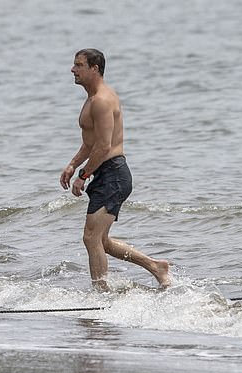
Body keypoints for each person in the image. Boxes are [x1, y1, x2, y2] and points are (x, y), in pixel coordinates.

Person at [59, 48, 171, 291]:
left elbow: (103, 146)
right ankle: (156, 267)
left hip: (113, 174)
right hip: (106, 172)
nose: (72, 69)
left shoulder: (101, 100)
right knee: (102, 241)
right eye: (74, 64)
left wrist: (83, 176)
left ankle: (101, 295)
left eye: (78, 65)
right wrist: (73, 165)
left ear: (94, 68)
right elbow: (90, 143)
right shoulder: (92, 99)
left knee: (91, 238)